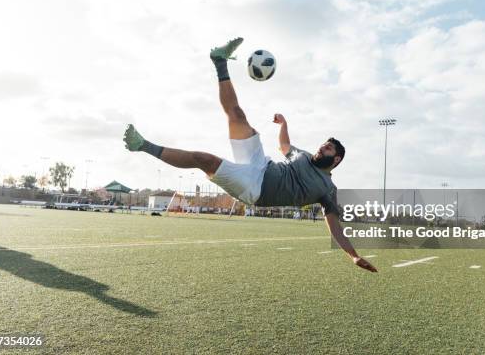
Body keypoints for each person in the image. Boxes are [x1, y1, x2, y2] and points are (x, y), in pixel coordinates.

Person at [123, 38, 376, 273]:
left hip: (256, 189)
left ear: (336, 160)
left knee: (205, 160)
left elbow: (335, 229)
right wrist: (284, 123)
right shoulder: (304, 155)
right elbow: (284, 145)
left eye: (328, 149)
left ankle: (142, 145)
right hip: (261, 164)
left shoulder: (327, 189)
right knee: (238, 115)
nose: (322, 148)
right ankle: (220, 61)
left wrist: (353, 255)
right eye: (323, 144)